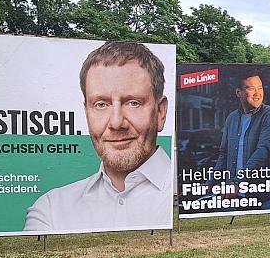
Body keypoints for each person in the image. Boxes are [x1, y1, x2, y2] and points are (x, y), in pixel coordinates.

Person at [24, 41, 171, 232]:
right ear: (87, 113)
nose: (117, 123)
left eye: (133, 103)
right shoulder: (51, 210)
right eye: (101, 104)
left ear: (160, 112)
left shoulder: (194, 197)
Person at [212, 69, 270, 208]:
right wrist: (210, 183)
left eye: (260, 88)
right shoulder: (231, 118)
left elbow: (263, 152)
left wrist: (238, 182)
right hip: (236, 196)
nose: (257, 93)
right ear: (239, 93)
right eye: (251, 88)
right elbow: (223, 154)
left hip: (264, 197)